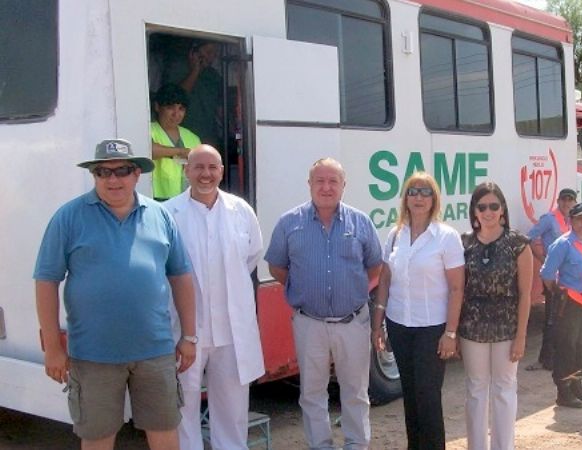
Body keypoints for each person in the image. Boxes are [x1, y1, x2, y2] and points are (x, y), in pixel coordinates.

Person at [33, 139, 196, 450]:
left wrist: (189, 336)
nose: (113, 179)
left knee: (165, 434)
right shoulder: (68, 217)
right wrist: (52, 348)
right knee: (97, 438)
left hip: (155, 351)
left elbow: (181, 276)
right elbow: (46, 281)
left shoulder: (160, 216)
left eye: (122, 170)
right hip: (93, 355)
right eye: (103, 172)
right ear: (94, 176)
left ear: (136, 174)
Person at [265, 158, 382, 450]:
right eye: (320, 181)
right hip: (309, 322)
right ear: (309, 184)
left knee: (355, 391)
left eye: (333, 181)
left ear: (344, 186)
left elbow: (374, 267)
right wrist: (306, 287)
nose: (326, 187)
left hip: (352, 322)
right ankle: (321, 445)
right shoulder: (289, 223)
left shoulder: (361, 222)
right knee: (312, 392)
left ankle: (356, 445)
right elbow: (276, 267)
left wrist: (347, 290)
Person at [163, 145, 264, 450]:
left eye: (212, 167)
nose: (205, 174)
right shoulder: (168, 214)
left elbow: (252, 256)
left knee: (232, 409)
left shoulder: (241, 211)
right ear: (186, 171)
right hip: (186, 330)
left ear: (221, 171)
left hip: (232, 332)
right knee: (183, 407)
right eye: (198, 167)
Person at [371, 172, 465, 450]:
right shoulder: (395, 235)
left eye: (425, 192)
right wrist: (377, 324)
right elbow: (385, 280)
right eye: (413, 192)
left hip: (432, 329)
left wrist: (451, 332)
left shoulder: (446, 237)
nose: (419, 197)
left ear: (434, 199)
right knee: (410, 396)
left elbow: (457, 288)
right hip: (399, 325)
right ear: (405, 199)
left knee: (428, 397)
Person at [460, 182, 533, 450]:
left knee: (504, 389)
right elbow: (457, 289)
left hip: (507, 328)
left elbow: (525, 294)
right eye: (482, 207)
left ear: (502, 210)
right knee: (476, 390)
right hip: (472, 328)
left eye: (494, 206)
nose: (488, 212)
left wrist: (521, 336)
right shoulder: (464, 243)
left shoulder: (518, 244)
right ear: (474, 211)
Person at [540, 203, 582, 408]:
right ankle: (564, 392)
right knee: (567, 347)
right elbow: (547, 274)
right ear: (571, 221)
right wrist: (559, 294)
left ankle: (577, 386)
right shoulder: (563, 244)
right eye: (579, 219)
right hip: (570, 304)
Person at [527, 188, 577, 370]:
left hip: (569, 278)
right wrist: (541, 258)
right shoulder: (549, 219)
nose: (567, 203)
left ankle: (558, 357)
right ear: (558, 201)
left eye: (570, 200)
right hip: (553, 278)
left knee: (565, 319)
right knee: (551, 319)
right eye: (564, 199)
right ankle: (545, 359)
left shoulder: (574, 221)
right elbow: (528, 237)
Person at [166, 41, 223, 149]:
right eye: (208, 52)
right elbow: (177, 97)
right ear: (194, 51)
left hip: (207, 135)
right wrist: (195, 70)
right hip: (181, 134)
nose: (211, 57)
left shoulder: (213, 76)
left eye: (215, 53)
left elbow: (220, 107)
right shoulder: (177, 68)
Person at [151, 83, 202, 201]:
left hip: (188, 199)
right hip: (157, 198)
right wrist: (180, 151)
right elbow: (149, 150)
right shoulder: (148, 130)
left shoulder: (192, 137)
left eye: (181, 109)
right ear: (157, 107)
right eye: (170, 107)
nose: (176, 114)